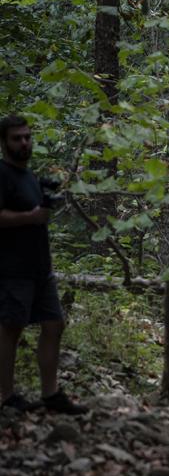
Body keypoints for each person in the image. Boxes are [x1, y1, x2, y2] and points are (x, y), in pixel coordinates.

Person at [0, 115, 85, 415]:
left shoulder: (28, 176)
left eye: (27, 137)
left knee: (54, 324)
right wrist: (31, 217)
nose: (24, 142)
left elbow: (39, 215)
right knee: (11, 329)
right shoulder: (3, 174)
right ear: (4, 142)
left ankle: (51, 395)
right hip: (12, 268)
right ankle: (5, 396)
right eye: (16, 138)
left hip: (40, 269)